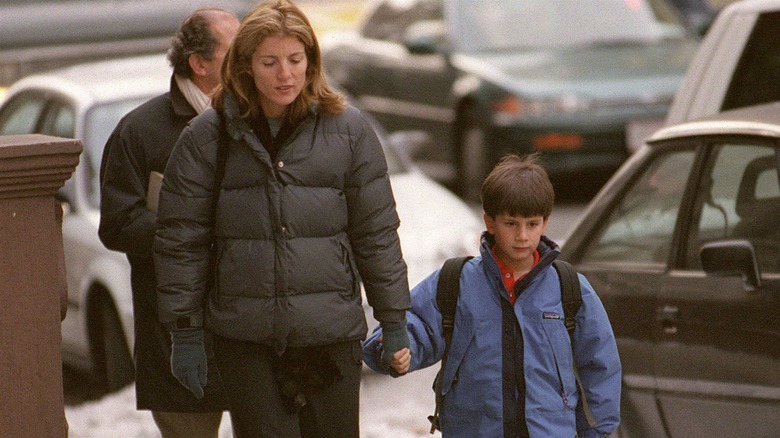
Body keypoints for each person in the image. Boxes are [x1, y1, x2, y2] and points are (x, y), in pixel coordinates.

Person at [152, 1, 411, 437]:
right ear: (246, 65)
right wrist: (185, 331)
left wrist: (394, 320)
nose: (284, 74)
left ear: (311, 62)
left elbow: (377, 234)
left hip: (330, 334)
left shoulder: (349, 131)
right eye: (269, 62)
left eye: (295, 60)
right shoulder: (206, 137)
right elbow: (180, 240)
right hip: (247, 340)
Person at [363, 154, 622, 437]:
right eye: (511, 223)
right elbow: (412, 327)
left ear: (545, 223)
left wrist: (596, 432)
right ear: (490, 222)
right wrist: (394, 350)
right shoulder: (456, 281)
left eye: (532, 224)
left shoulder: (569, 287)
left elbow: (601, 365)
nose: (522, 235)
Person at [98, 8, 240, 438]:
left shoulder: (256, 120)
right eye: (237, 53)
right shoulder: (140, 130)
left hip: (250, 327)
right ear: (199, 64)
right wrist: (192, 231)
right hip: (176, 333)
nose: (251, 63)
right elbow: (117, 225)